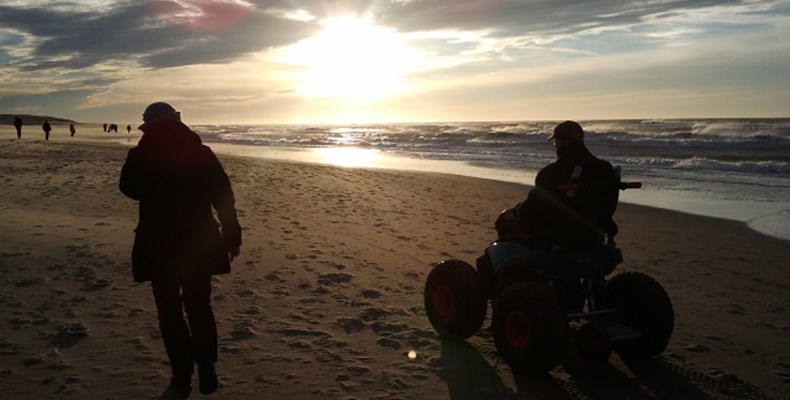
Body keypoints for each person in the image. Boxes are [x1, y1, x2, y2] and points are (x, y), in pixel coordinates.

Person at [119, 102, 242, 396]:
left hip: (157, 243)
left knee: (169, 311)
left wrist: (142, 151)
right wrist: (232, 233)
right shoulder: (200, 152)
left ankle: (182, 374)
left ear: (148, 126)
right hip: (198, 242)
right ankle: (205, 361)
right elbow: (223, 195)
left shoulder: (143, 153)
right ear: (178, 121)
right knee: (199, 305)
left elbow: (129, 189)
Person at [510, 121, 619, 251]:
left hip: (565, 232)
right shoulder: (605, 168)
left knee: (526, 204)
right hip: (597, 228)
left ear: (561, 142)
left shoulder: (550, 173)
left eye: (556, 142)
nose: (556, 146)